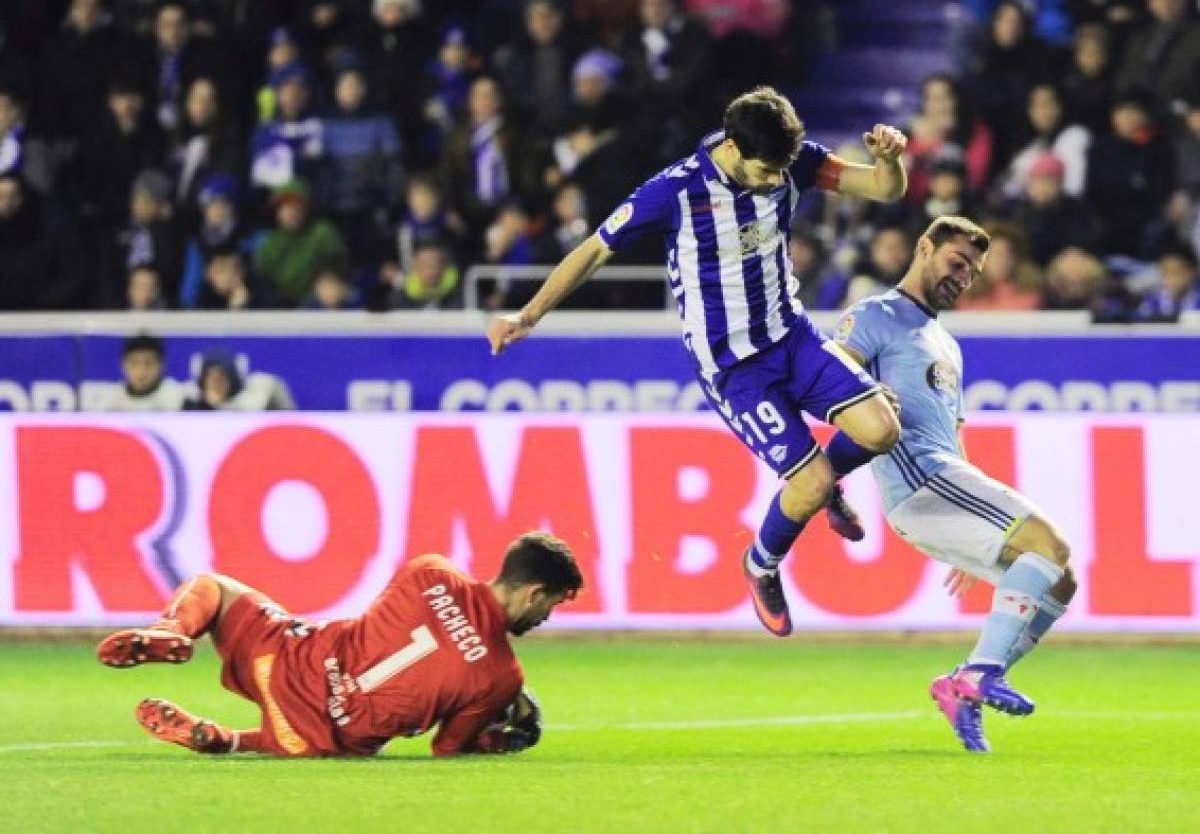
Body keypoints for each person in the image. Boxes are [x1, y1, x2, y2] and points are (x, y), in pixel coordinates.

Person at [488, 86, 906, 636]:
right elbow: (594, 248)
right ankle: (761, 565)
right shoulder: (676, 192)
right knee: (807, 485)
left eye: (783, 170)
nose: (776, 181)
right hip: (736, 370)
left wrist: (890, 161)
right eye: (765, 172)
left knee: (883, 428)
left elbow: (880, 189)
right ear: (732, 148)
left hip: (793, 336)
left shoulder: (789, 160)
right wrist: (530, 313)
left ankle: (826, 488)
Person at [834, 215, 1076, 752]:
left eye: (972, 271)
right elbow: (831, 386)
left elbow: (953, 428)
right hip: (917, 478)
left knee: (1060, 579)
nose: (964, 277)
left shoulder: (945, 340)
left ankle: (962, 685)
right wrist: (831, 476)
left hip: (946, 483)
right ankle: (981, 673)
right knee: (1051, 545)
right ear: (924, 247)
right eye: (957, 263)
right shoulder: (873, 316)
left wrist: (970, 533)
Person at [96, 531, 582, 757]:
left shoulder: (431, 569)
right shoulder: (502, 677)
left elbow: (413, 630)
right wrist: (500, 736)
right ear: (533, 592)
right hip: (317, 740)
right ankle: (229, 740)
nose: (546, 617)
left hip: (284, 663)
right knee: (332, 736)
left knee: (214, 588)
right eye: (552, 605)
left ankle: (172, 631)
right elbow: (447, 748)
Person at [103, 333, 185, 411]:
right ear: (123, 365)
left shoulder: (178, 399)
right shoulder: (113, 400)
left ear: (161, 365)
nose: (141, 371)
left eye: (149, 363)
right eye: (134, 363)